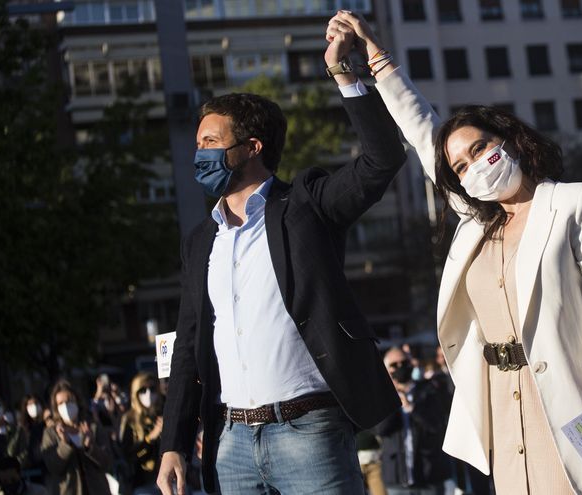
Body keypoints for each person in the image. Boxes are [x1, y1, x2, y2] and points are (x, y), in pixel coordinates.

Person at [325, 12, 582, 495]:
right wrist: (363, 62)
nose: (473, 166)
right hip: (501, 405)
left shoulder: (575, 201)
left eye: (479, 149)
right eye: (459, 165)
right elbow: (420, 131)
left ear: (509, 139)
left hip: (576, 405)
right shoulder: (476, 219)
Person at [155, 24, 405, 495]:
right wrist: (174, 444)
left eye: (211, 142)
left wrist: (344, 72)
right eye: (198, 143)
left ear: (252, 147)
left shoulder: (307, 206)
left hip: (309, 434)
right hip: (229, 445)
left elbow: (381, 160)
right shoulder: (200, 241)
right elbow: (189, 345)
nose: (198, 154)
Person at [377, 347, 450, 495]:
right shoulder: (383, 397)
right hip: (397, 477)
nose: (400, 367)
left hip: (428, 474)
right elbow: (380, 429)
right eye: (394, 365)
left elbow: (436, 425)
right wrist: (393, 397)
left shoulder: (429, 390)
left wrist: (412, 408)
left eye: (403, 362)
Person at [40, 379, 113, 495]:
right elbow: (53, 467)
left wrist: (90, 447)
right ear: (56, 408)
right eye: (61, 403)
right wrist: (65, 444)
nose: (66, 406)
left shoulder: (93, 427)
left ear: (77, 401)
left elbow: (107, 463)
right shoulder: (51, 433)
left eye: (69, 401)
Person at [120, 372, 163, 495]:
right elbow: (128, 455)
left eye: (152, 389)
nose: (148, 394)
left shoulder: (163, 412)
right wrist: (150, 438)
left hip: (168, 476)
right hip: (143, 481)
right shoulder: (129, 419)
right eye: (143, 390)